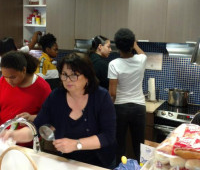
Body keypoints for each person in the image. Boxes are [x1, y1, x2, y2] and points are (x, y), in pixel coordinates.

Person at [0, 52, 116, 169]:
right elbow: (35, 128)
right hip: (68, 161)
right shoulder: (56, 96)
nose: (68, 80)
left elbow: (108, 136)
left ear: (87, 77)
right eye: (64, 75)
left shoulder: (101, 97)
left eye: (74, 75)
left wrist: (77, 144)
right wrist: (12, 135)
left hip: (100, 162)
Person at [108, 28, 147, 164]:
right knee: (139, 145)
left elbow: (112, 93)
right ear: (131, 44)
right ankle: (142, 167)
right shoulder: (141, 60)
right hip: (139, 108)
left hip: (120, 108)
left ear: (117, 46)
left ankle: (120, 167)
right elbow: (143, 54)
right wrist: (135, 45)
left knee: (119, 145)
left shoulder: (113, 64)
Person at [0, 51, 51, 128]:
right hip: (4, 136)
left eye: (13, 77)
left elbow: (51, 116)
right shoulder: (2, 81)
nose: (8, 81)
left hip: (27, 137)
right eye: (5, 76)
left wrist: (32, 117)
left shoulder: (42, 88)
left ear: (24, 70)